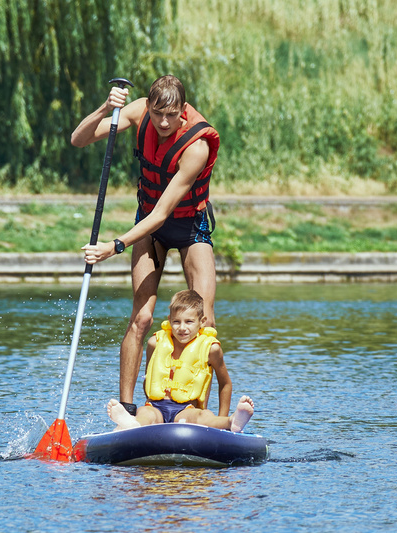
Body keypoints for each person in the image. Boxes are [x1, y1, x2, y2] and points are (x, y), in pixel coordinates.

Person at [71, 75, 221, 416]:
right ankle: (125, 410)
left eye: (171, 114)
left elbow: (163, 213)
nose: (164, 122)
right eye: (157, 114)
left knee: (206, 320)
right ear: (149, 107)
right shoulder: (138, 113)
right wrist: (106, 108)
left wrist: (115, 246)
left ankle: (197, 413)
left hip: (188, 225)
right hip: (148, 229)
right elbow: (77, 139)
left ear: (183, 110)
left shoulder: (196, 146)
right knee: (142, 317)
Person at [105, 289, 254, 433]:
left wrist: (221, 419)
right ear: (169, 320)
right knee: (145, 413)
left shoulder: (211, 349)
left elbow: (225, 383)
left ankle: (231, 421)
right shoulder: (154, 343)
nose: (182, 328)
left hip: (186, 410)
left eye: (189, 321)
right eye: (176, 322)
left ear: (202, 322)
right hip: (155, 406)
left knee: (203, 416)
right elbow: (149, 378)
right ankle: (132, 424)